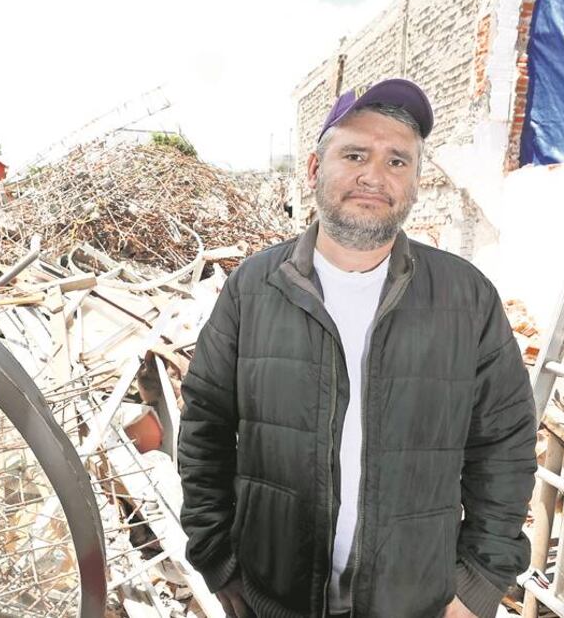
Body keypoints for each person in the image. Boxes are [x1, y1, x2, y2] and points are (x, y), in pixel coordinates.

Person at [178, 79, 537, 618]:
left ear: (415, 184)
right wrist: (217, 558)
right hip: (273, 598)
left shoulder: (466, 297)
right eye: (355, 154)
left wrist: (479, 581)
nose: (375, 175)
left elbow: (505, 447)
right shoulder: (254, 288)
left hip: (419, 604)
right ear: (314, 170)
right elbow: (205, 428)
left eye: (398, 161)